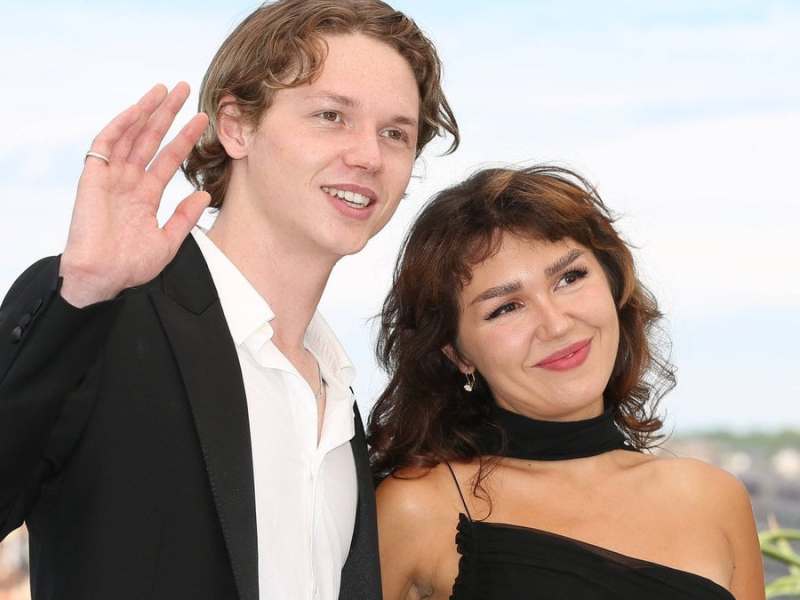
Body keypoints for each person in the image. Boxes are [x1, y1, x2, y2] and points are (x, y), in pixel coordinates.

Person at [0, 1, 458, 598]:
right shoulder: (102, 313)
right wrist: (77, 300)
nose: (369, 156)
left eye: (395, 133)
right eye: (331, 116)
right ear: (238, 126)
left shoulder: (339, 394)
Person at [369, 166, 765, 599]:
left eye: (570, 278)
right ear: (456, 353)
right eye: (506, 307)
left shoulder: (715, 499)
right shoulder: (417, 507)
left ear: (615, 285)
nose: (556, 324)